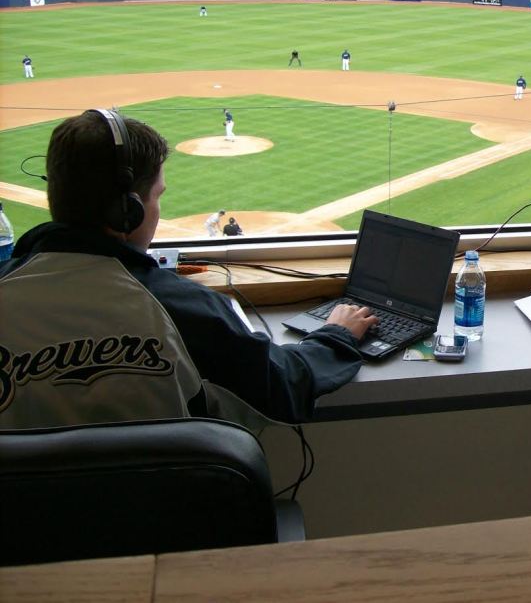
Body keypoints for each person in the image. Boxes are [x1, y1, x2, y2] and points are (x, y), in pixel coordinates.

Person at [0, 110, 376, 430]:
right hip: (164, 512)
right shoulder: (181, 308)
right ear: (127, 211)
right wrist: (335, 336)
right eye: (158, 195)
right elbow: (284, 386)